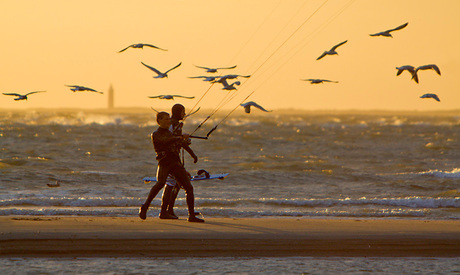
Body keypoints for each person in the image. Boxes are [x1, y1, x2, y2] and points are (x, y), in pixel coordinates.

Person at [139, 111, 204, 223]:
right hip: (164, 163)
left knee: (189, 187)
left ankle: (191, 215)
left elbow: (179, 144)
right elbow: (166, 141)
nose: (169, 121)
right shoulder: (156, 134)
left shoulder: (171, 134)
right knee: (160, 183)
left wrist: (192, 153)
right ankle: (145, 207)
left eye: (169, 119)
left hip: (175, 163)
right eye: (166, 119)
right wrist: (179, 137)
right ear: (159, 121)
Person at [163, 104, 198, 218]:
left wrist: (191, 152)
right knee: (183, 185)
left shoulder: (176, 124)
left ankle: (168, 210)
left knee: (174, 184)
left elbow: (179, 141)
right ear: (178, 112)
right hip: (171, 160)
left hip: (172, 159)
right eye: (183, 112)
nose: (184, 114)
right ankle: (190, 215)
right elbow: (172, 140)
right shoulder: (173, 124)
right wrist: (192, 153)